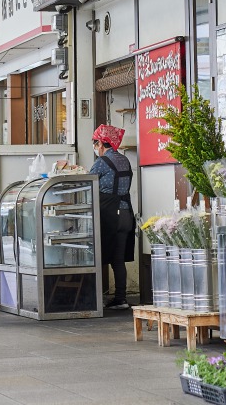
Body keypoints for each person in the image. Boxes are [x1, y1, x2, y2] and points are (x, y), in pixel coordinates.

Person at [89, 124, 135, 310]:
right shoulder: (124, 160)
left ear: (101, 143)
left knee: (98, 256)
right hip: (125, 214)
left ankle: (95, 298)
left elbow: (86, 181)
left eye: (95, 143)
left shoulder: (102, 162)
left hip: (108, 216)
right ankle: (121, 298)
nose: (95, 147)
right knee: (117, 259)